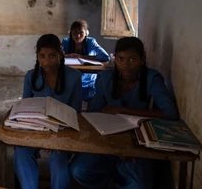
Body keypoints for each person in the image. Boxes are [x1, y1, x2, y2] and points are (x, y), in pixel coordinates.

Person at [69, 37, 179, 189]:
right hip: (108, 139)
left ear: (142, 59)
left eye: (132, 59)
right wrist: (111, 147)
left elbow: (170, 113)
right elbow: (94, 112)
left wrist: (122, 110)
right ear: (115, 58)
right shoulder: (105, 78)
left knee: (140, 185)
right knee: (78, 170)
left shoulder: (151, 78)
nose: (125, 65)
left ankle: (122, 177)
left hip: (137, 143)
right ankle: (109, 178)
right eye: (120, 58)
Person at [14, 34, 82, 189]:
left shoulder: (74, 77)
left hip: (62, 131)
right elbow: (24, 107)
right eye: (41, 56)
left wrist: (57, 139)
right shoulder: (31, 76)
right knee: (21, 153)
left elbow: (76, 114)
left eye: (52, 55)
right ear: (37, 56)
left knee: (58, 160)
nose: (46, 61)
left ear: (60, 54)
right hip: (35, 129)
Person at [61, 20, 110, 100]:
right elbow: (57, 54)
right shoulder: (66, 42)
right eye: (75, 33)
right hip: (70, 79)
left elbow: (105, 57)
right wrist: (67, 55)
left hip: (88, 80)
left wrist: (82, 57)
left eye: (81, 33)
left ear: (86, 33)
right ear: (70, 33)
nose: (78, 35)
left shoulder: (91, 42)